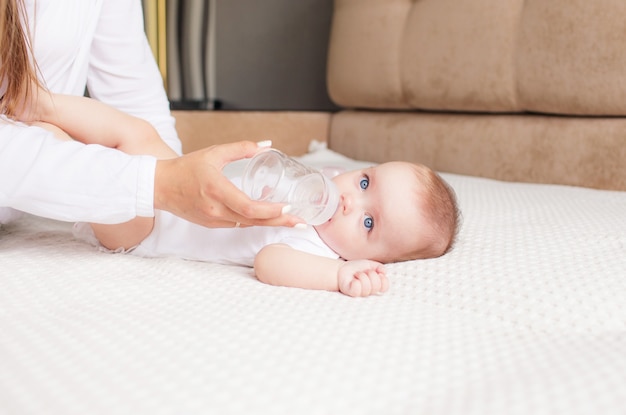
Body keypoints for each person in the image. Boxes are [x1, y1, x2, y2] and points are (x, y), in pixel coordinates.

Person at [18, 88, 461, 297]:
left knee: (130, 143)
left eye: (368, 222)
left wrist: (337, 278)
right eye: (365, 182)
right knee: (126, 134)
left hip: (143, 229)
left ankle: (35, 112)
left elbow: (270, 263)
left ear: (369, 258)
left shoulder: (314, 248)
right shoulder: (320, 191)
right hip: (166, 187)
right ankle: (36, 112)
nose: (349, 200)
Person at [0, 0, 298, 230]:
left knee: (137, 135)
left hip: (35, 192)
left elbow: (134, 98)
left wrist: (180, 183)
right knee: (59, 134)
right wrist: (161, 184)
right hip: (37, 167)